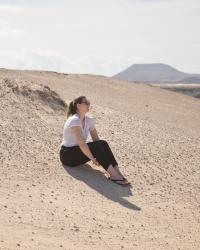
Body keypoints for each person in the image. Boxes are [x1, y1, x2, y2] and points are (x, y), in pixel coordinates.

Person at [59, 95, 130, 186]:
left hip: (78, 152)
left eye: (89, 102)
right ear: (78, 105)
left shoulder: (89, 121)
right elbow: (82, 144)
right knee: (97, 146)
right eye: (86, 102)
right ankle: (113, 175)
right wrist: (93, 159)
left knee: (103, 143)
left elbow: (96, 140)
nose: (89, 104)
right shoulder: (74, 120)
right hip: (67, 156)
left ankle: (117, 173)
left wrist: (100, 155)